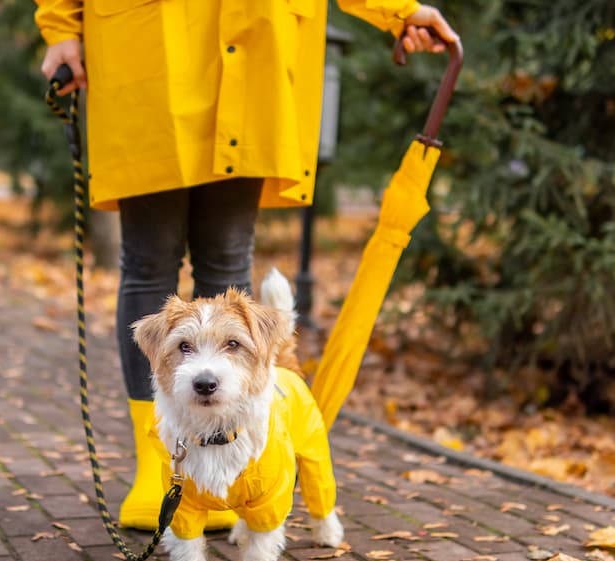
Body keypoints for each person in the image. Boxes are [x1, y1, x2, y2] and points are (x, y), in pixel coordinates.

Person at [35, 0, 458, 531]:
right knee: (149, 261)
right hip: (145, 43)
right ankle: (159, 463)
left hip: (252, 48)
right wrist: (60, 28)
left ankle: (235, 460)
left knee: (228, 259)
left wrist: (398, 12)